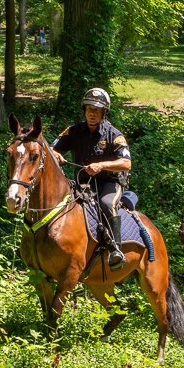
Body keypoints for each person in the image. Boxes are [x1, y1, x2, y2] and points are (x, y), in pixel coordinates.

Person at [51, 88, 131, 269]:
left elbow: (126, 163)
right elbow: (52, 148)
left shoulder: (114, 135)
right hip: (83, 182)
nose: (92, 114)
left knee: (106, 203)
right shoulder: (73, 131)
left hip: (110, 183)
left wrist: (102, 165)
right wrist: (56, 154)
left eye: (96, 110)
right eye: (89, 109)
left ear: (104, 112)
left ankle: (115, 250)